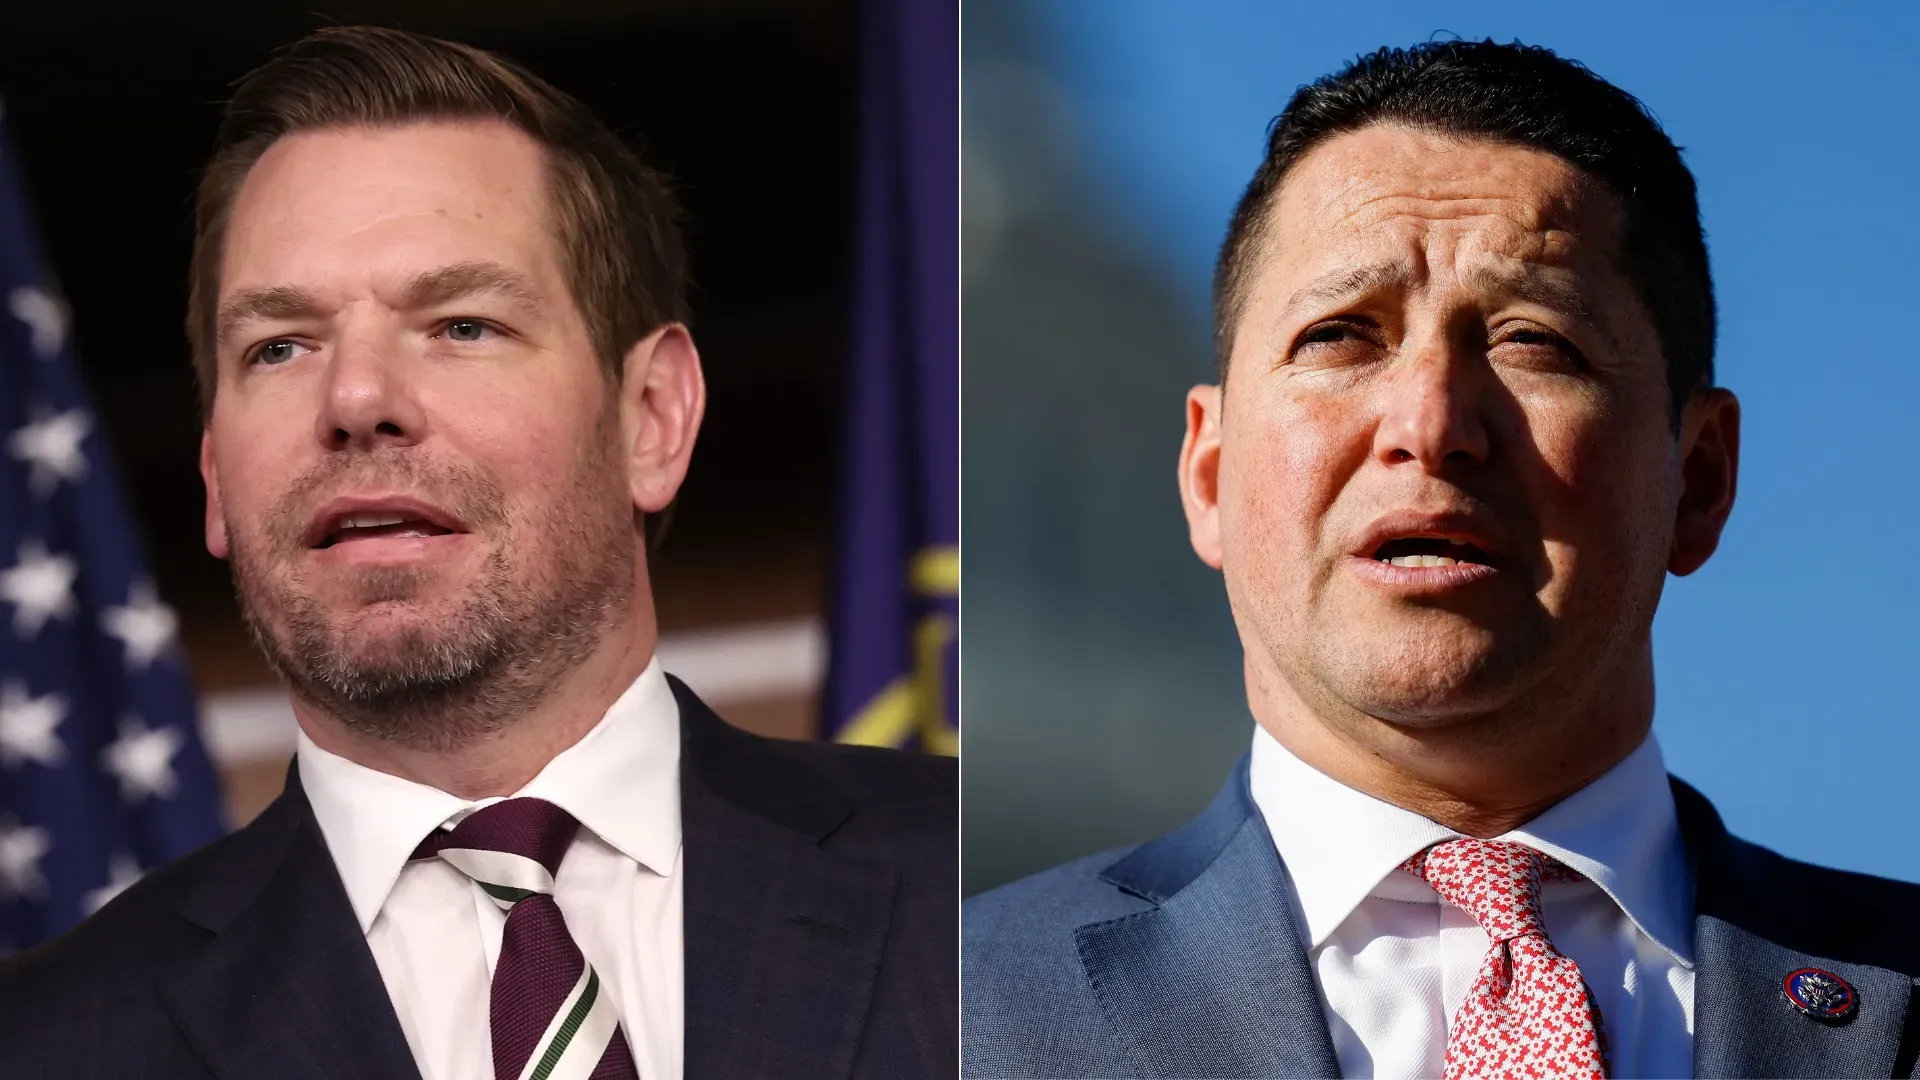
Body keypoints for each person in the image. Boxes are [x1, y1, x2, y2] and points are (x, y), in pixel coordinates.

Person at [0, 26, 955, 1080]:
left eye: (460, 325)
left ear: (651, 418)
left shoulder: (987, 893)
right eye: (279, 347)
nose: (357, 401)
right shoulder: (47, 1046)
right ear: (217, 477)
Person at [963, 39, 1920, 1079]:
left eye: (1535, 342)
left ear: (1698, 480)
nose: (1430, 423)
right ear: (1208, 475)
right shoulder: (943, 1013)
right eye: (1339, 336)